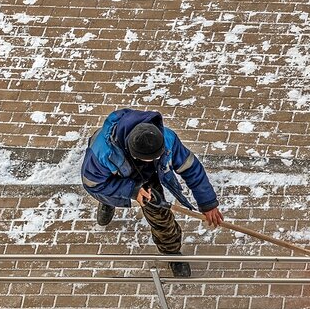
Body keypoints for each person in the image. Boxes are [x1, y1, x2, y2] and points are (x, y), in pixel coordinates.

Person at [80, 108, 224, 278]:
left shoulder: (167, 138)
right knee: (110, 191)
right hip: (116, 176)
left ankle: (171, 252)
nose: (157, 158)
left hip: (149, 176)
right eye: (151, 158)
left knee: (160, 217)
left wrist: (207, 203)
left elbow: (190, 167)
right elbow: (94, 184)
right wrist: (131, 190)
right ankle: (109, 201)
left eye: (159, 155)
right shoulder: (102, 154)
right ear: (134, 152)